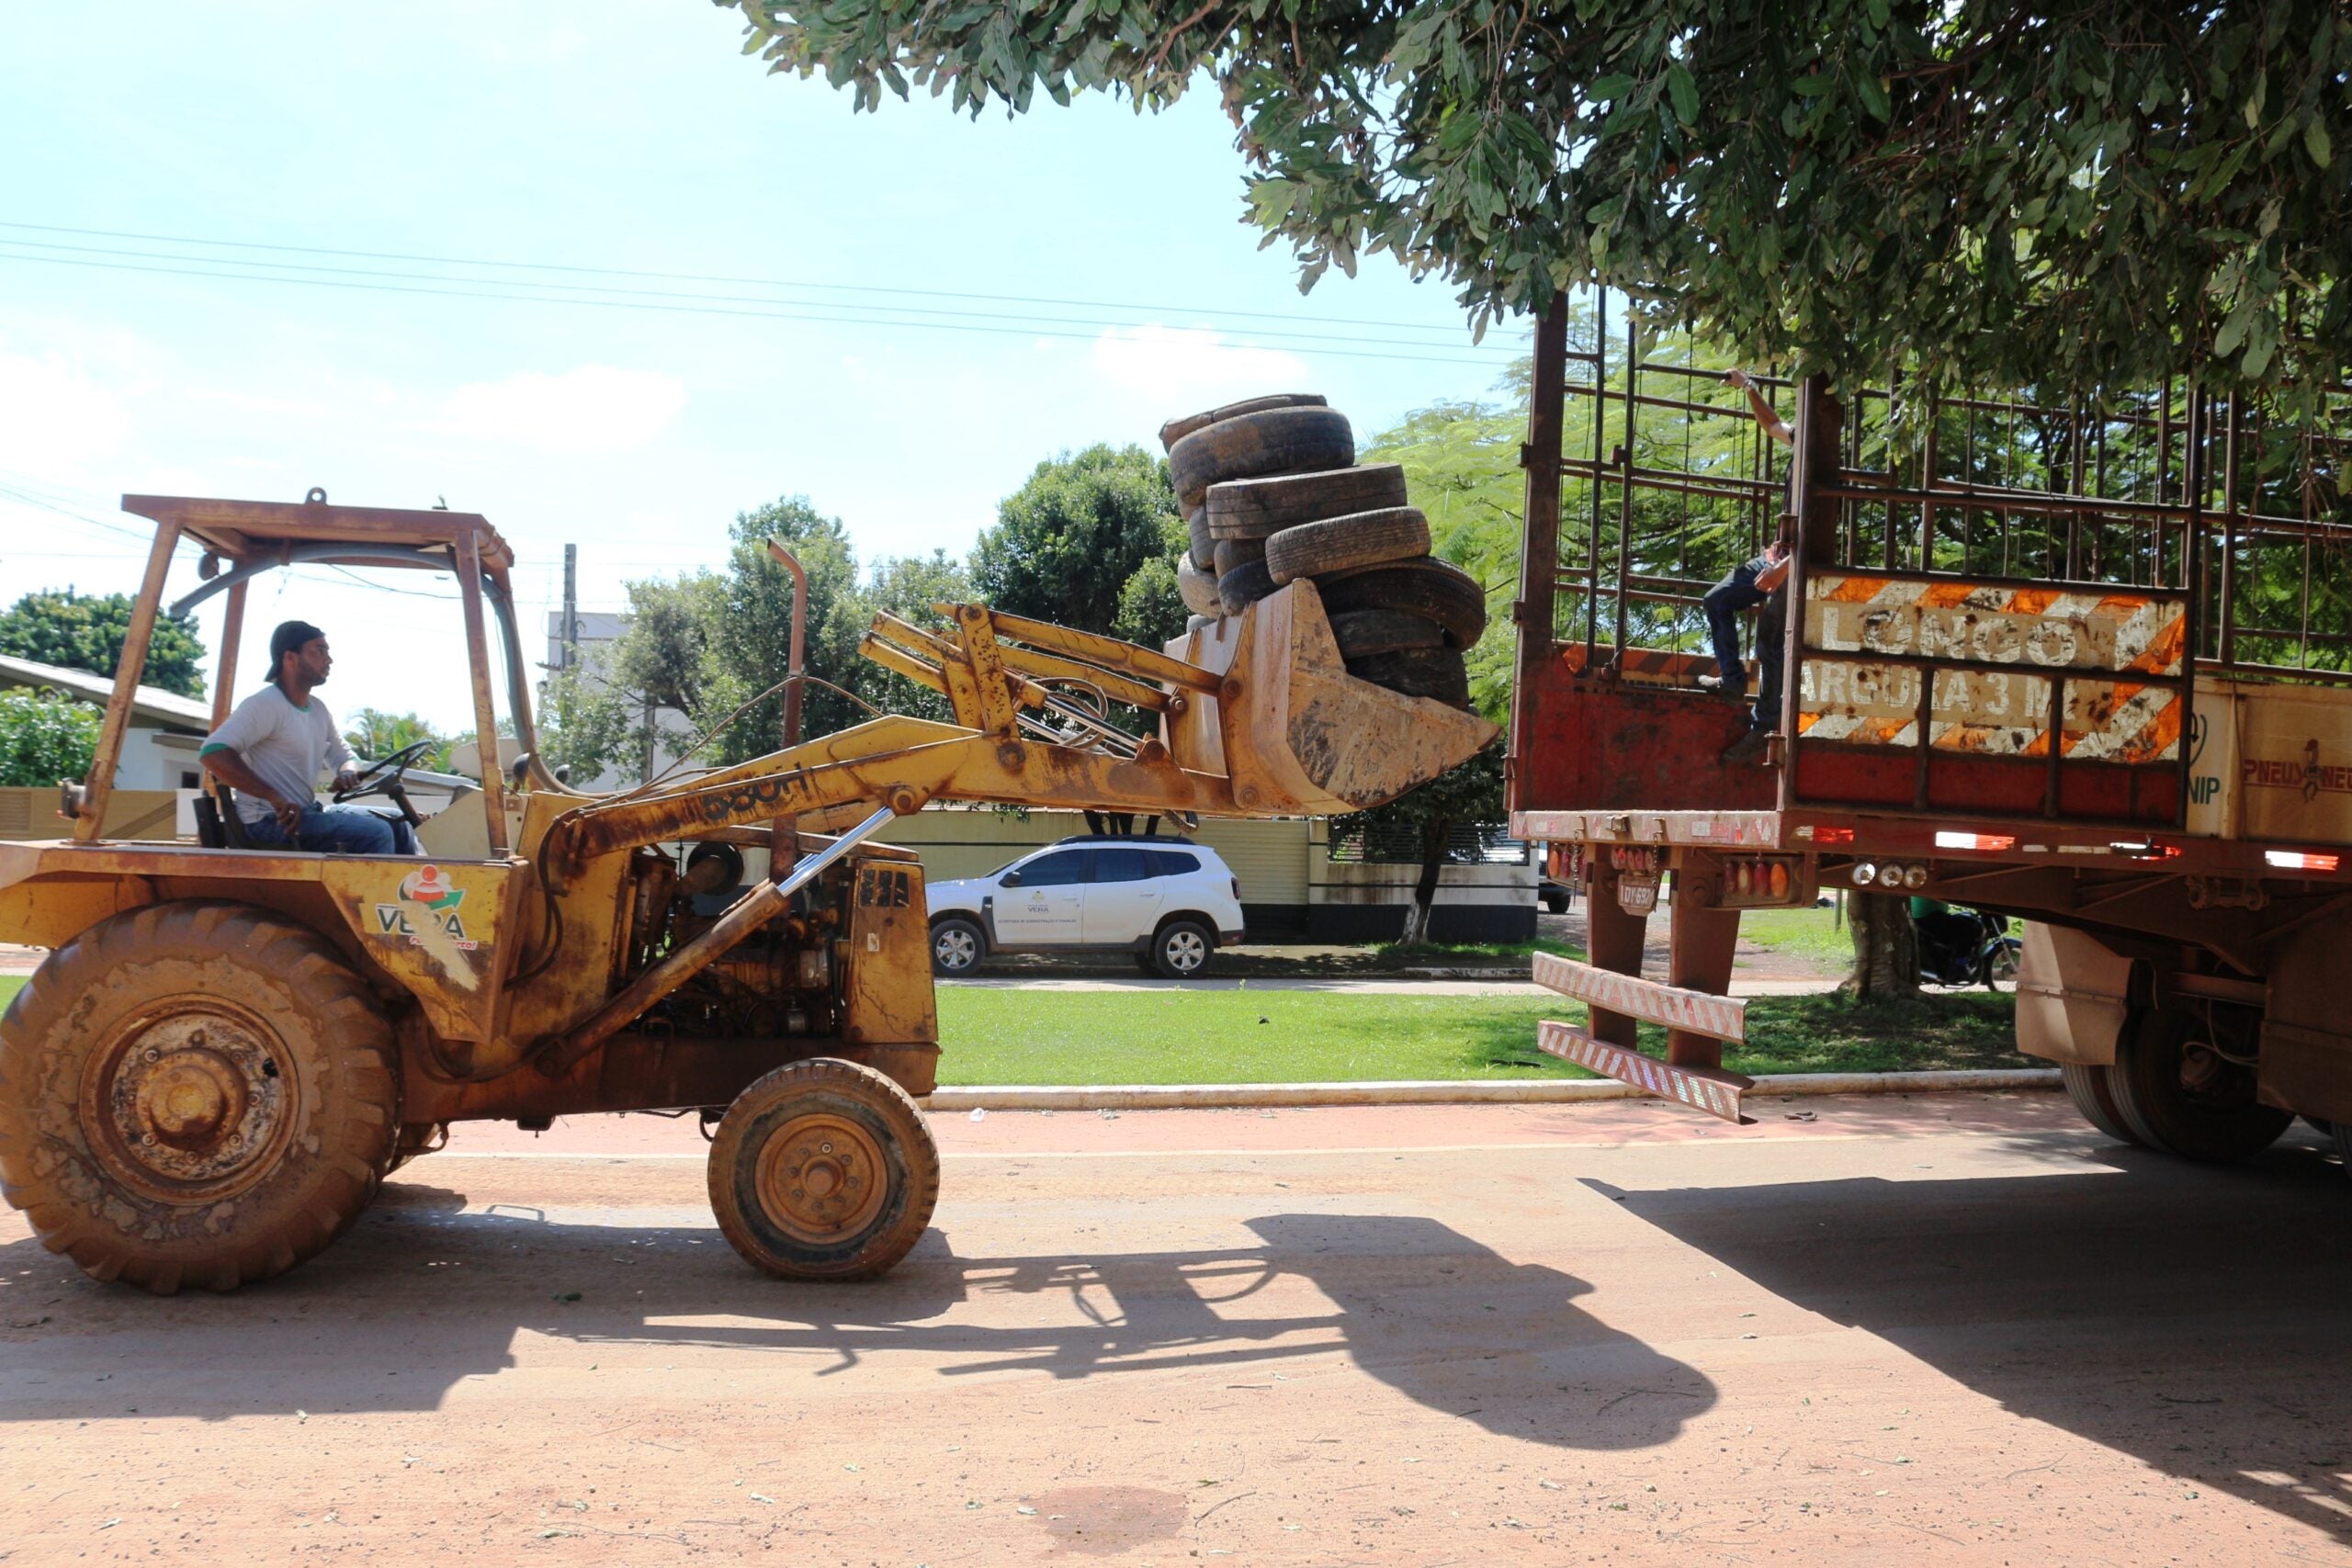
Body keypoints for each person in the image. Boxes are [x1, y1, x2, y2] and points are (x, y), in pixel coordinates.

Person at [198, 619, 419, 854]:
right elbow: (212, 753)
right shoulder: (265, 704)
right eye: (319, 650)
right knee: (376, 832)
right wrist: (272, 795)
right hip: (268, 822)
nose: (329, 659)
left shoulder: (318, 709)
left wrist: (347, 771)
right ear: (290, 658)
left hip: (307, 813)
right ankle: (376, 891)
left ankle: (408, 890)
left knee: (399, 821)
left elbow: (345, 756)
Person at [1702, 367, 1797, 762]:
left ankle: (1762, 731)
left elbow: (1823, 535)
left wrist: (1783, 569)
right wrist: (1749, 388)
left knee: (1771, 646)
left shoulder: (1827, 468)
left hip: (1796, 566)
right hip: (1780, 556)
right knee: (1718, 599)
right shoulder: (1800, 443)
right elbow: (1772, 423)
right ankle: (1732, 679)